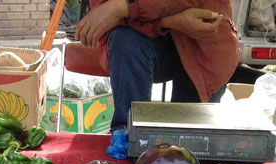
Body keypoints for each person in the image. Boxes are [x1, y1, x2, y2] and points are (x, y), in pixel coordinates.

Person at [75, 0, 240, 131]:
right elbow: (104, 17)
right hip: (142, 44)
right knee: (125, 40)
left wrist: (122, 7)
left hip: (203, 49)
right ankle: (127, 133)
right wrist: (170, 21)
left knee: (190, 145)